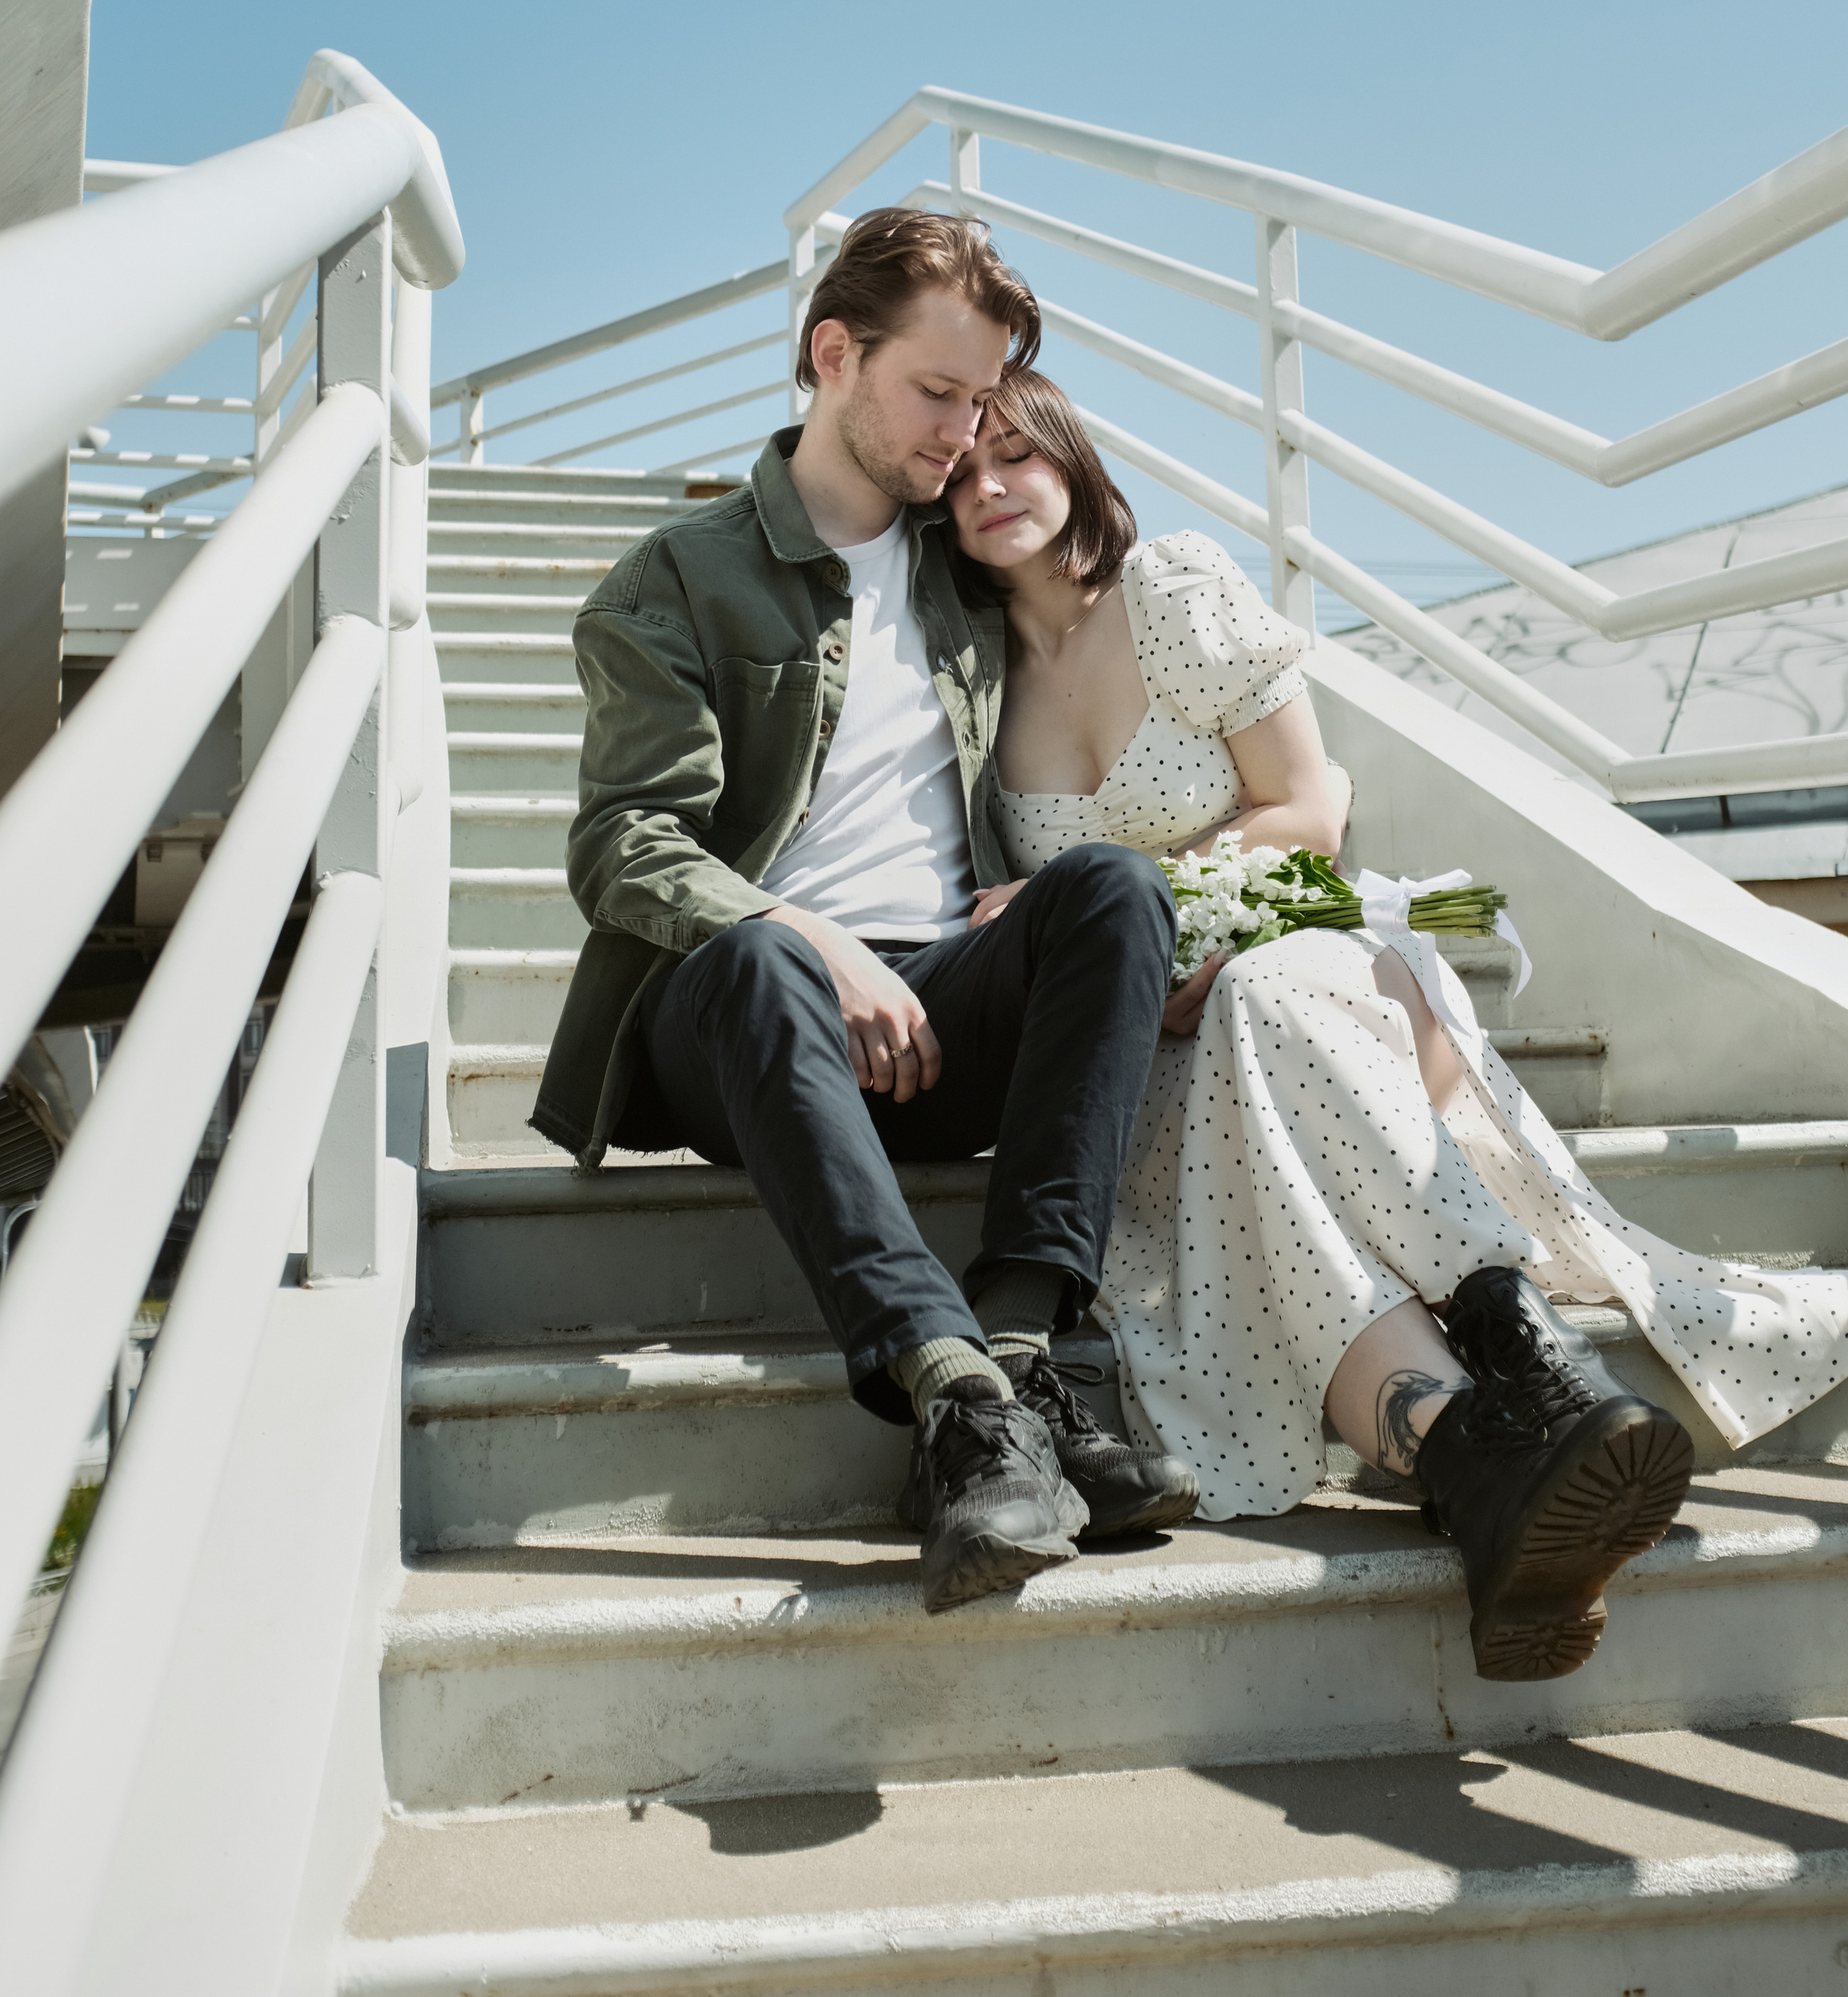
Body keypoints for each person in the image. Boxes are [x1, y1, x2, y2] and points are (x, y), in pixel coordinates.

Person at [946, 369, 1848, 1683]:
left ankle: (1513, 1356)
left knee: (1264, 1001)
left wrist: (1172, 916)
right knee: (1227, 1140)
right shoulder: (973, 688)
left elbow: (1308, 810)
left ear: (1075, 465)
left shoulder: (1174, 591)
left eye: (1016, 457)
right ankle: (1496, 1471)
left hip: (1290, 955)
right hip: (1149, 1061)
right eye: (962, 472)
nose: (988, 487)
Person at [532, 211, 1199, 1617]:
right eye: (939, 394)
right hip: (738, 1020)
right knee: (763, 954)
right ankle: (948, 1401)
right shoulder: (678, 580)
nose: (967, 435)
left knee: (1114, 892)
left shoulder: (961, 573)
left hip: (935, 1003)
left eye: (984, 400)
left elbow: (1097, 624)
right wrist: (816, 936)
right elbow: (620, 843)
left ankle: (1019, 1357)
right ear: (833, 356)